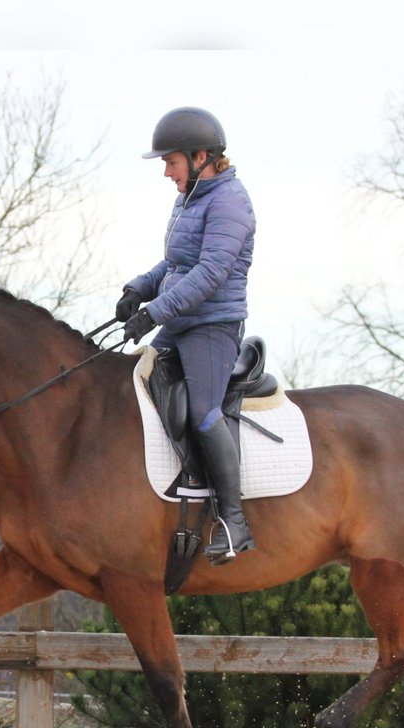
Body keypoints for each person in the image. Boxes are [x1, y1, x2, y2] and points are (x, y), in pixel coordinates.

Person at [117, 106, 257, 564]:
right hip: (178, 322)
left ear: (201, 157)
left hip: (212, 327)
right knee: (135, 387)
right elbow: (175, 265)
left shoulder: (229, 202)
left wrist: (154, 312)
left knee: (202, 412)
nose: (165, 173)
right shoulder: (191, 197)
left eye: (170, 162)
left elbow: (211, 273)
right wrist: (138, 289)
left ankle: (235, 521)